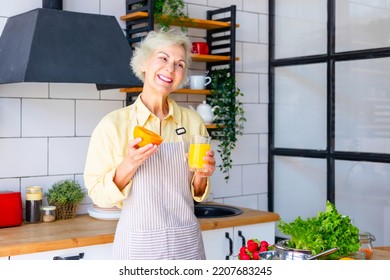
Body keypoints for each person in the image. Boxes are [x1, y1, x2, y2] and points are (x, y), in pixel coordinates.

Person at [83, 30, 216, 260]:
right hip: (138, 248)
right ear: (144, 63)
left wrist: (203, 174)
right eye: (163, 58)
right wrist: (128, 164)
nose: (170, 69)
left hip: (186, 246)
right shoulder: (114, 124)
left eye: (180, 64)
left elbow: (196, 192)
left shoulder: (192, 122)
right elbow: (98, 195)